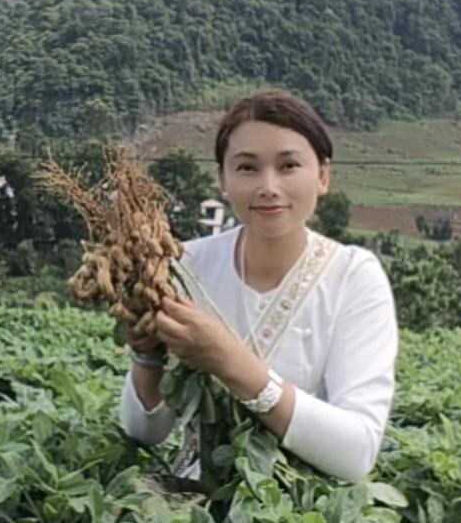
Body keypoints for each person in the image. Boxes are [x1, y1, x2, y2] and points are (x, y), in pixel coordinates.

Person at [120, 89, 398, 483]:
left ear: (322, 176)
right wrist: (146, 355)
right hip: (191, 512)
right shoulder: (185, 267)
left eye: (288, 166)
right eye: (248, 168)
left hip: (300, 519)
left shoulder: (354, 277)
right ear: (223, 180)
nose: (268, 186)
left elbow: (356, 453)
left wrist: (230, 362)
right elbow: (145, 432)